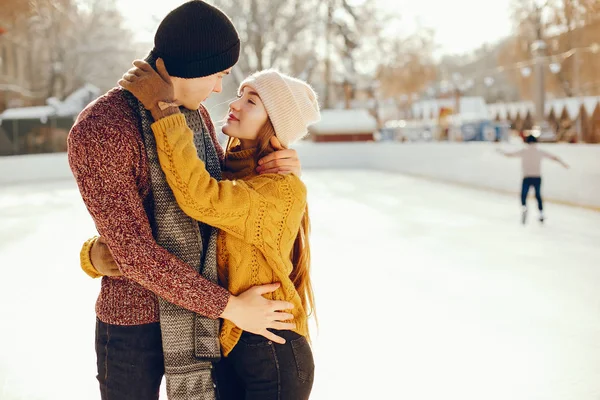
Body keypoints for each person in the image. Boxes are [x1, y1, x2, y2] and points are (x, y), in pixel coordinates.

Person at [68, 2, 302, 399]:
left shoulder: (194, 118)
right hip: (133, 327)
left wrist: (274, 158)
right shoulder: (102, 129)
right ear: (193, 66)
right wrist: (230, 307)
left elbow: (216, 203)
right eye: (218, 75)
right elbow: (134, 252)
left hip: (204, 324)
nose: (217, 89)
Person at [497, 134, 569, 224]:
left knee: (523, 195)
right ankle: (541, 213)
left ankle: (524, 208)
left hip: (527, 177)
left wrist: (500, 151)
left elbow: (509, 155)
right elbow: (554, 157)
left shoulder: (524, 151)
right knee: (538, 196)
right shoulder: (539, 152)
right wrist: (563, 163)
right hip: (537, 177)